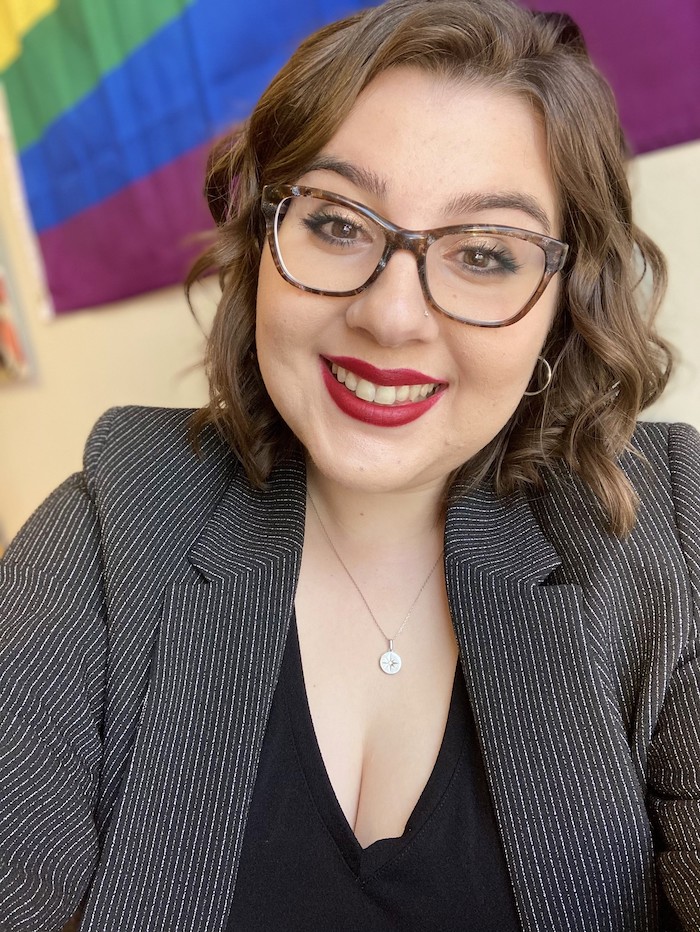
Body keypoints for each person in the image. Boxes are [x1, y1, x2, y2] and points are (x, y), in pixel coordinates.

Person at [1, 0, 698, 928]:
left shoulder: (673, 528)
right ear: (263, 246)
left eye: (485, 253)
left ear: (561, 308)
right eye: (338, 225)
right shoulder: (103, 535)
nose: (392, 316)